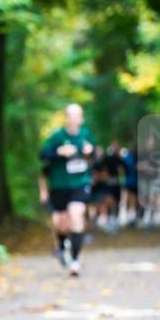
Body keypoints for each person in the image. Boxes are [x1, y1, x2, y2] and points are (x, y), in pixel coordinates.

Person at [39, 104, 95, 277]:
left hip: (80, 184)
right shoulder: (57, 136)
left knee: (76, 215)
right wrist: (59, 152)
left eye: (77, 116)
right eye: (70, 115)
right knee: (60, 224)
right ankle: (62, 246)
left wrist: (90, 152)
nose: (74, 119)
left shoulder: (86, 135)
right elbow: (42, 155)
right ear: (66, 118)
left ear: (81, 118)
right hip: (59, 186)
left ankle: (75, 261)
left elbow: (96, 156)